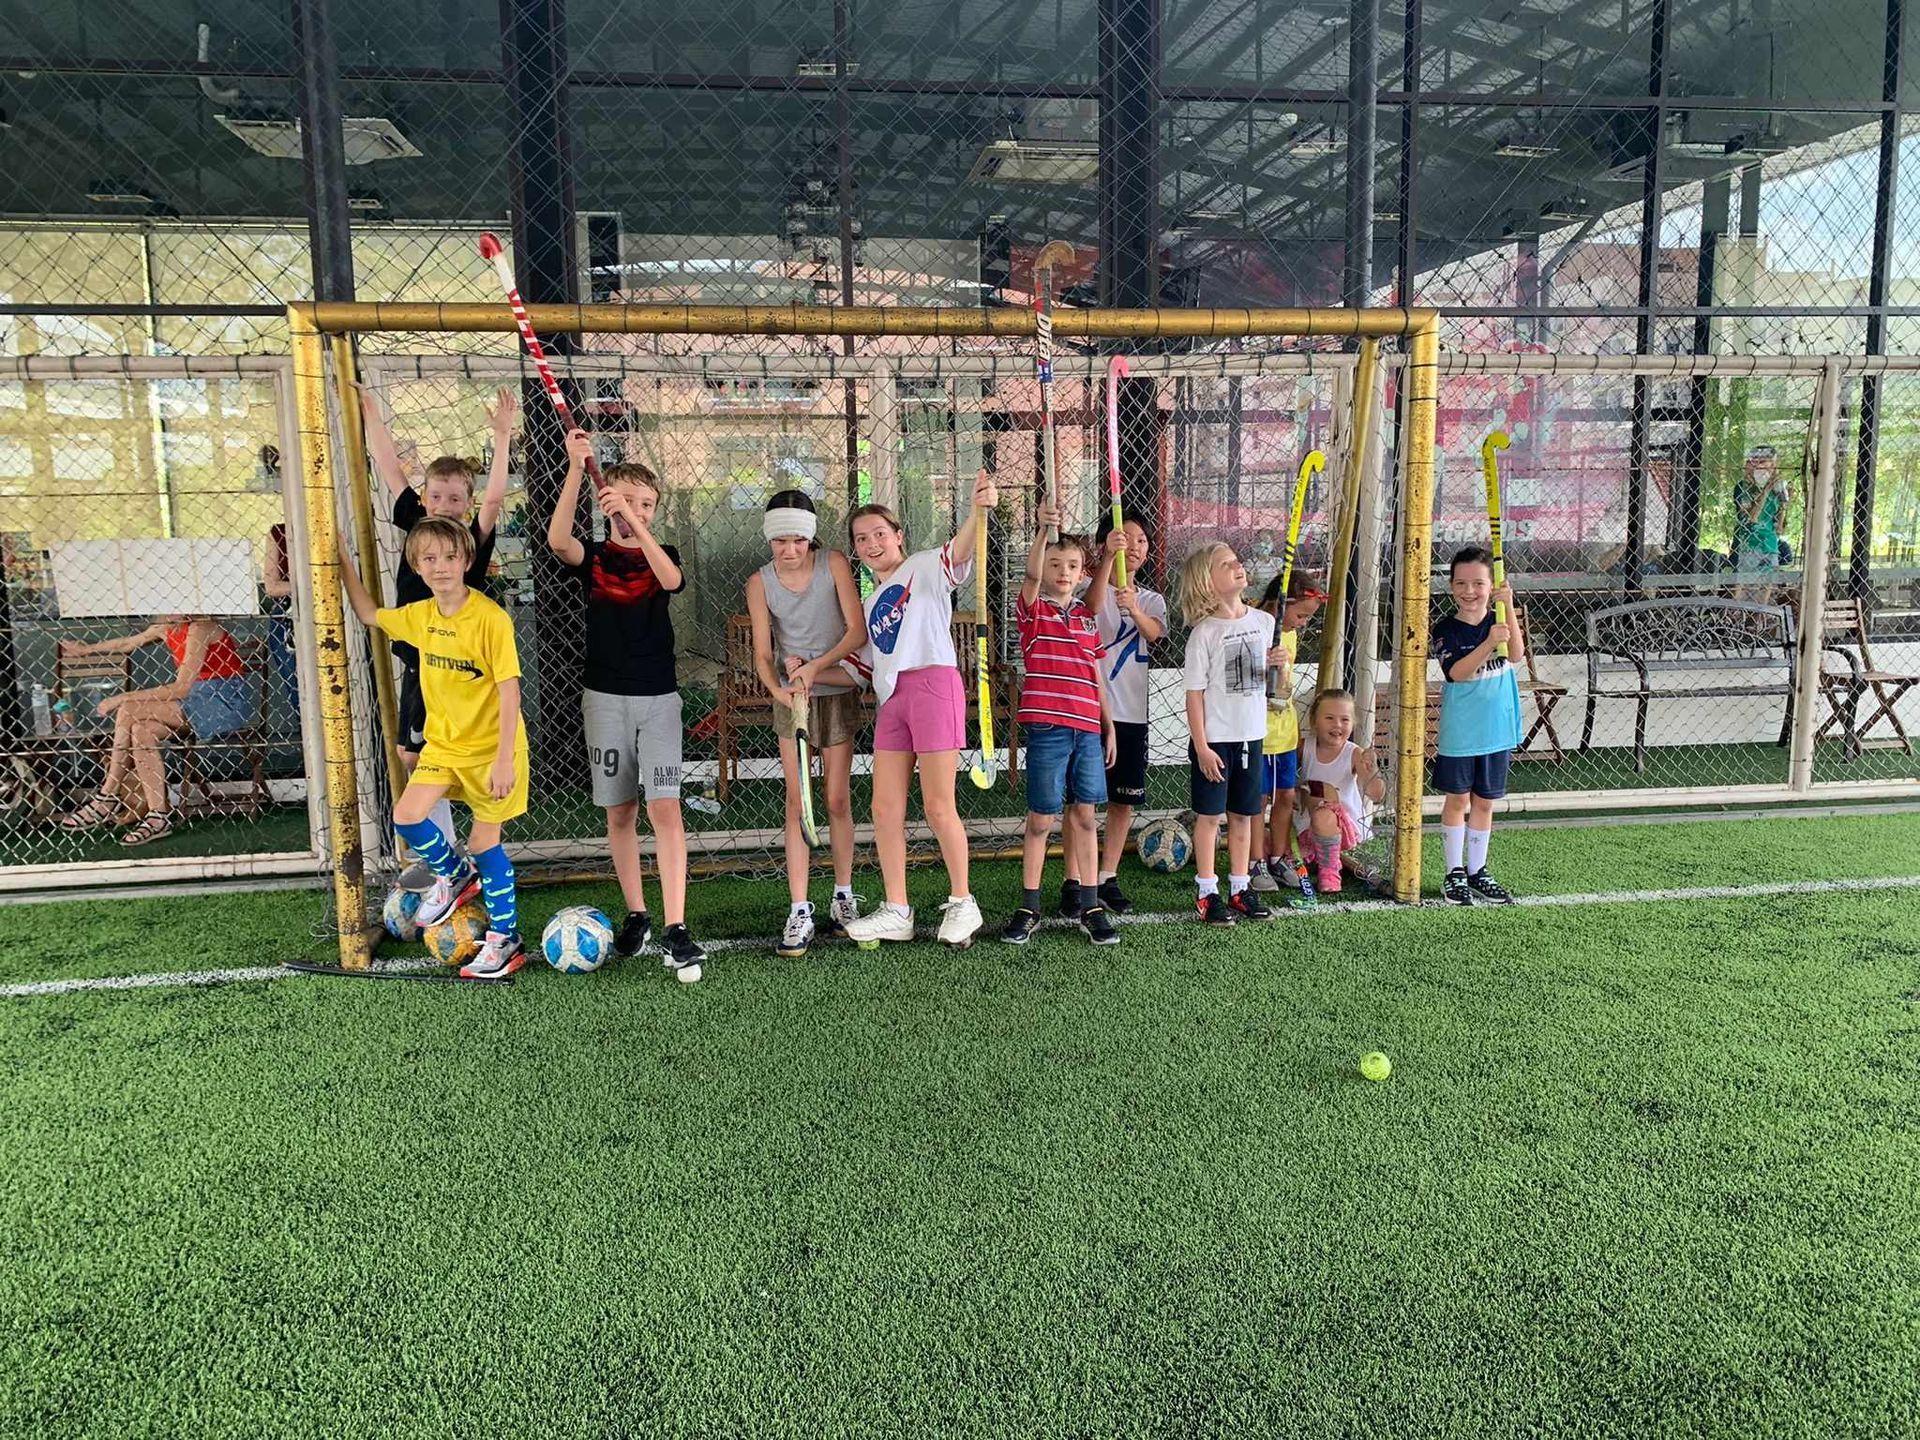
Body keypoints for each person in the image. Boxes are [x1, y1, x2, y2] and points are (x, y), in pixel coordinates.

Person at [337, 518, 529, 978]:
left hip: (491, 752)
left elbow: (510, 693)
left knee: (486, 844)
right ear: (416, 566)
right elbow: (368, 614)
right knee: (406, 815)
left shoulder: (490, 619)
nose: (440, 567)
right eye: (429, 559)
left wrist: (504, 760)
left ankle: (505, 940)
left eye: (449, 557)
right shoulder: (421, 616)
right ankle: (454, 873)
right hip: (443, 747)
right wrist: (341, 558)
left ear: (466, 561)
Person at [548, 429, 704, 981]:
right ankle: (637, 914)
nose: (634, 510)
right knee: (620, 812)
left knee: (666, 809)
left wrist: (635, 522)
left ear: (654, 512)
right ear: (604, 500)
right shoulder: (593, 556)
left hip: (658, 700)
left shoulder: (665, 553)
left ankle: (676, 927)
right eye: (624, 500)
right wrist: (575, 468)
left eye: (646, 504)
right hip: (604, 700)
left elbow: (672, 579)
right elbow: (557, 541)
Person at [359, 384, 515, 888]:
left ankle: (475, 851)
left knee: (456, 760)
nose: (445, 505)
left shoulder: (470, 540)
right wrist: (372, 416)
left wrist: (503, 437)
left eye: (455, 498)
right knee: (411, 755)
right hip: (420, 663)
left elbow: (494, 497)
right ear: (425, 500)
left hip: (462, 671)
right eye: (437, 496)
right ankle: (443, 856)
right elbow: (389, 470)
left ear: (466, 506)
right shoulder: (419, 527)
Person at [841, 469, 998, 949]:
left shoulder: (926, 567)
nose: (872, 544)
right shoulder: (870, 604)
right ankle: (897, 909)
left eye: (880, 535)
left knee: (937, 805)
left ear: (898, 537)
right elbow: (863, 667)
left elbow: (964, 549)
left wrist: (977, 512)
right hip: (893, 702)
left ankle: (963, 902)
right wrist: (804, 673)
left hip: (933, 686)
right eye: (861, 539)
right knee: (884, 808)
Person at [745, 488, 869, 958]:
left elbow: (855, 632)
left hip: (835, 688)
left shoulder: (834, 563)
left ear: (811, 538)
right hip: (792, 698)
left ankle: (842, 895)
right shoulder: (760, 583)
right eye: (781, 542)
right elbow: (762, 652)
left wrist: (816, 667)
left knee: (836, 799)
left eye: (798, 540)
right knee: (797, 802)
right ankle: (799, 907)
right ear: (770, 542)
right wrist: (780, 690)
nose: (790, 550)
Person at [1002, 503, 1117, 947]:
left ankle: (1090, 903)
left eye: (1072, 565)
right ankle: (1029, 905)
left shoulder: (1087, 620)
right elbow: (1030, 578)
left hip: (1087, 728)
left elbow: (1096, 676)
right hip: (1048, 728)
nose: (1063, 571)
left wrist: (1108, 726)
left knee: (1086, 815)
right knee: (1040, 819)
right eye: (1055, 564)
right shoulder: (1033, 613)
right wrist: (1042, 532)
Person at [55, 615, 253, 847]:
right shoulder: (165, 627)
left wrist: (122, 697)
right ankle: (158, 816)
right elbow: (127, 643)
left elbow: (181, 688)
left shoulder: (200, 627)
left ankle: (107, 795)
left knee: (128, 709)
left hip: (222, 701)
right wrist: (86, 650)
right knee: (141, 731)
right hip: (194, 700)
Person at [1179, 542, 1286, 925]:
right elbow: (1194, 695)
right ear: (1207, 583)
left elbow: (1274, 688)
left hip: (1250, 736)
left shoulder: (1264, 623)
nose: (1237, 566)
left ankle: (1240, 888)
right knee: (1209, 817)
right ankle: (1207, 892)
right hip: (1215, 740)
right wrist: (1202, 745)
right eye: (1226, 564)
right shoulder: (1203, 634)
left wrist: (1279, 666)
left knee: (1243, 814)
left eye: (1237, 561)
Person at [1069, 512, 1169, 916]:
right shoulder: (1081, 588)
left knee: (1121, 801)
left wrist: (1134, 608)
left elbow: (1155, 633)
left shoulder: (1150, 599)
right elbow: (1091, 609)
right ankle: (1076, 880)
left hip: (1131, 710)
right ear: (1105, 544)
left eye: (1141, 540)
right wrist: (1109, 564)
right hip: (1085, 709)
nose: (1134, 545)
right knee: (1080, 801)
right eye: (1124, 538)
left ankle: (1108, 875)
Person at [1431, 544, 1524, 905]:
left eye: (1478, 584)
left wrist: (1509, 609)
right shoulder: (1447, 629)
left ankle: (1477, 870)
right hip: (1462, 732)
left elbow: (1515, 654)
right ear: (1452, 586)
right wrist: (1488, 642)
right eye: (1460, 583)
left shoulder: (1499, 618)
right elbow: (1456, 673)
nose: (1469, 591)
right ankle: (1453, 872)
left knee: (1485, 802)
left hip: (1496, 730)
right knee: (1458, 799)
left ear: (1492, 586)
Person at [1250, 572, 1325, 894]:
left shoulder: (1289, 635)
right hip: (1257, 733)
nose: (1304, 623)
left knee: (1286, 796)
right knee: (1258, 800)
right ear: (1283, 604)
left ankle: (1279, 857)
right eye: (1301, 615)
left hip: (1284, 733)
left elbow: (1285, 687)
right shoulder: (1252, 626)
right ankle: (1255, 862)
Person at [1294, 689, 1385, 893]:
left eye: (1345, 719)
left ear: (1352, 724)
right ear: (1314, 720)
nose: (1337, 725)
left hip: (1340, 828)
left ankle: (1330, 870)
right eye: (1329, 718)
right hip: (1306, 825)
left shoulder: (1353, 753)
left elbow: (1376, 794)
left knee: (1324, 814)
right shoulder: (1303, 747)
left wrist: (1372, 770)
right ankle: (1304, 856)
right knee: (1267, 839)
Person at [1733, 444, 1791, 600]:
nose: (1760, 466)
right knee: (1743, 588)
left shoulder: (1776, 489)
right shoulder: (1743, 488)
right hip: (1748, 543)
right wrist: (1764, 492)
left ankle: (1758, 620)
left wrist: (1784, 504)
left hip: (1770, 544)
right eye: (1756, 462)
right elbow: (1751, 518)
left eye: (1764, 463)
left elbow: (1779, 529)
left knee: (1764, 591)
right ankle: (1736, 618)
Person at [263, 522, 299, 726]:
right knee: (297, 686)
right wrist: (311, 582)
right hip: (288, 617)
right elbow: (271, 586)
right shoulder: (279, 533)